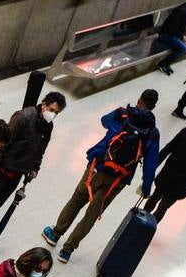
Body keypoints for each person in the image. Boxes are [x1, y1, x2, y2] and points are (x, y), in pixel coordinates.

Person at [42, 90, 161, 263]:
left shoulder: (123, 114)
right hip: (119, 178)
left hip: (98, 166)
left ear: (139, 100)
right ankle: (67, 251)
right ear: (153, 107)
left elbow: (104, 121)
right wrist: (146, 187)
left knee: (78, 199)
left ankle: (55, 233)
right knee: (92, 214)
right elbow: (151, 161)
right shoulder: (152, 132)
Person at [0, 95, 66, 249]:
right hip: (1, 170)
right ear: (43, 104)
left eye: (56, 113)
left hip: (16, 174)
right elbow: (2, 143)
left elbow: (40, 150)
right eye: (51, 110)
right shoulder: (23, 117)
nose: (53, 114)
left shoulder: (47, 126)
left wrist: (35, 168)